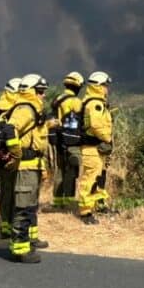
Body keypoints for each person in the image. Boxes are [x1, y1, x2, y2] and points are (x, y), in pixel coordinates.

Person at [5, 74, 53, 263]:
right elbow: (10, 129)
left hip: (32, 165)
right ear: (31, 91)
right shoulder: (25, 108)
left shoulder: (33, 108)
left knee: (30, 206)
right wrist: (16, 154)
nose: (43, 95)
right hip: (24, 166)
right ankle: (20, 249)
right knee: (23, 208)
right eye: (40, 91)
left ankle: (28, 244)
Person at [78, 71, 114, 225]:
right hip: (92, 148)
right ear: (98, 86)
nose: (107, 89)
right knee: (90, 179)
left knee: (97, 178)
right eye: (105, 85)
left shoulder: (94, 102)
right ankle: (85, 212)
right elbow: (96, 125)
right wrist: (107, 137)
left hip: (95, 149)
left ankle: (97, 206)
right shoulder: (95, 104)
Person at [0, 77, 21, 239]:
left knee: (4, 191)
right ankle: (12, 224)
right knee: (14, 190)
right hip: (10, 156)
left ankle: (4, 224)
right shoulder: (13, 109)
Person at [51, 72, 84, 209]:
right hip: (71, 141)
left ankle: (57, 201)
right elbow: (81, 118)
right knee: (72, 170)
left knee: (60, 170)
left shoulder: (58, 99)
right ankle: (69, 202)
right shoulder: (75, 101)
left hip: (59, 140)